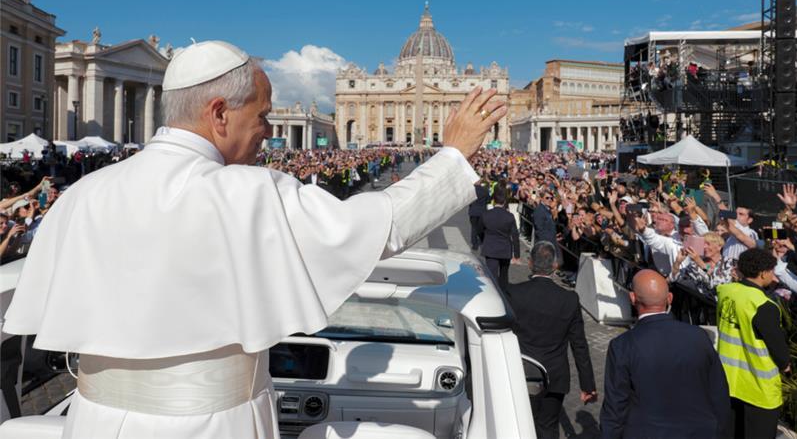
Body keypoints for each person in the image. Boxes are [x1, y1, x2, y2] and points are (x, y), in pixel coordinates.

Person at [2, 40, 507, 439]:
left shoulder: (80, 195)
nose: (268, 130)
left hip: (91, 421)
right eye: (262, 116)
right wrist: (453, 156)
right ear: (219, 113)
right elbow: (380, 225)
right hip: (212, 425)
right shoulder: (248, 194)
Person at [601, 270, 730, 439]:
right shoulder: (698, 336)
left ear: (632, 298)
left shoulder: (622, 346)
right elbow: (718, 392)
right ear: (670, 298)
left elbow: (615, 407)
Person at [507, 241, 596, 439]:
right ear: (555, 266)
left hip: (521, 371)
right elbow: (579, 344)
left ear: (530, 264)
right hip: (555, 374)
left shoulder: (513, 293)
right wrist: (587, 384)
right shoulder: (569, 299)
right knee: (548, 427)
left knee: (519, 425)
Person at [717, 249, 790, 439]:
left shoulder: (726, 291)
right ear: (763, 273)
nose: (773, 276)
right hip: (758, 387)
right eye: (772, 272)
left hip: (729, 380)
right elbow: (777, 346)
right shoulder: (763, 304)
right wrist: (786, 365)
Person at [477, 186, 519, 293]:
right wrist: (517, 254)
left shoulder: (486, 214)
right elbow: (515, 235)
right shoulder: (509, 216)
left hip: (490, 247)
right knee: (504, 276)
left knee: (492, 276)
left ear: (493, 201)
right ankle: (504, 295)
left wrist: (483, 241)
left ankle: (493, 295)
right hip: (505, 249)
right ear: (504, 201)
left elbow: (479, 230)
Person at [468, 179, 489, 250]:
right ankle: (482, 242)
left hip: (473, 211)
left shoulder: (471, 190)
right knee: (482, 228)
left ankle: (474, 244)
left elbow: (469, 201)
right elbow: (488, 200)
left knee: (474, 228)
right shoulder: (485, 190)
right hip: (482, 211)